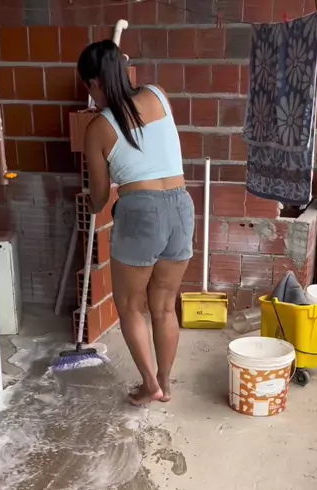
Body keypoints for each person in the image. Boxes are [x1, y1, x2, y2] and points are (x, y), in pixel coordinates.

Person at [77, 40, 194, 406]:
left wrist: (87, 201)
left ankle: (149, 385)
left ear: (94, 83)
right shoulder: (158, 95)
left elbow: (100, 198)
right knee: (164, 305)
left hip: (141, 210)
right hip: (181, 206)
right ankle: (165, 383)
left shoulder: (98, 128)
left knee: (130, 305)